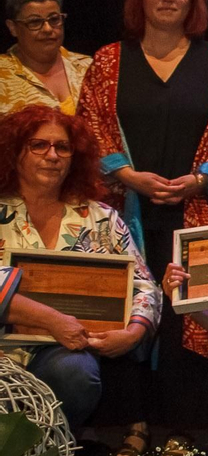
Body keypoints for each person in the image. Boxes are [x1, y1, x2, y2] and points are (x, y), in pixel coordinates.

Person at [79, 0, 208, 444]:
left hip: (194, 209)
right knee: (127, 311)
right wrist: (128, 175)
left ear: (192, 0)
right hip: (124, 210)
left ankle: (181, 428)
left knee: (186, 314)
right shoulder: (108, 59)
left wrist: (197, 179)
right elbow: (90, 126)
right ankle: (128, 423)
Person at [0, 106, 158, 434]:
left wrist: (133, 333)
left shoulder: (98, 217)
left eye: (63, 147)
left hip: (64, 350)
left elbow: (145, 285)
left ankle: (47, 454)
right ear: (14, 152)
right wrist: (52, 320)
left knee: (76, 372)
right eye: (38, 145)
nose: (52, 155)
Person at [1, 0, 89, 115]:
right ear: (12, 28)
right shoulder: (2, 74)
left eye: (54, 19)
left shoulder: (89, 68)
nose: (47, 29)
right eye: (35, 22)